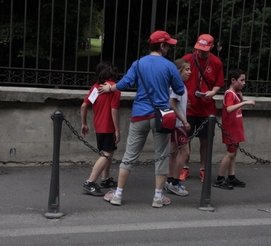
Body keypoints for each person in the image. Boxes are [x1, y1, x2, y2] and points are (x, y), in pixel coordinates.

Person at [98, 30, 185, 208]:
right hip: (162, 116)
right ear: (161, 46)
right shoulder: (169, 66)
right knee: (161, 156)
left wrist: (110, 89)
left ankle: (118, 195)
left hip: (139, 115)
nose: (169, 48)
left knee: (129, 155)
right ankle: (158, 198)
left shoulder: (138, 64)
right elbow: (180, 89)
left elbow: (124, 83)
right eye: (168, 45)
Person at [181, 34, 225, 182]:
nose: (201, 52)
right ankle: (184, 167)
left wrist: (213, 92)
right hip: (188, 107)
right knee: (185, 140)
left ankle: (203, 169)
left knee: (205, 141)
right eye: (199, 48)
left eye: (205, 49)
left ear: (211, 47)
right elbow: (177, 78)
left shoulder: (216, 62)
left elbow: (219, 83)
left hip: (206, 108)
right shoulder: (187, 58)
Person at [81, 61, 121, 196]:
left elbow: (84, 105)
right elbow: (114, 109)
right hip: (108, 126)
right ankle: (90, 182)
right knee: (107, 153)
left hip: (98, 125)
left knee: (107, 151)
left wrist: (84, 123)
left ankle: (105, 179)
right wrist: (117, 129)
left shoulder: (95, 88)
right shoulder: (114, 88)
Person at [214, 68, 255, 190]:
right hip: (230, 128)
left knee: (233, 153)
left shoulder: (235, 94)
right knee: (230, 153)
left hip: (236, 127)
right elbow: (229, 109)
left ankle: (231, 177)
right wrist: (244, 103)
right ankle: (219, 179)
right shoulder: (229, 94)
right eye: (241, 80)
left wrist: (241, 98)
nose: (244, 83)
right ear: (233, 80)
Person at [165, 59, 191, 196]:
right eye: (186, 70)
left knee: (173, 152)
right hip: (178, 124)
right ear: (179, 71)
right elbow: (171, 103)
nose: (189, 72)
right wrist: (184, 120)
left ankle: (169, 179)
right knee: (185, 152)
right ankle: (175, 182)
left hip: (175, 124)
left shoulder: (178, 85)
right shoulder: (177, 84)